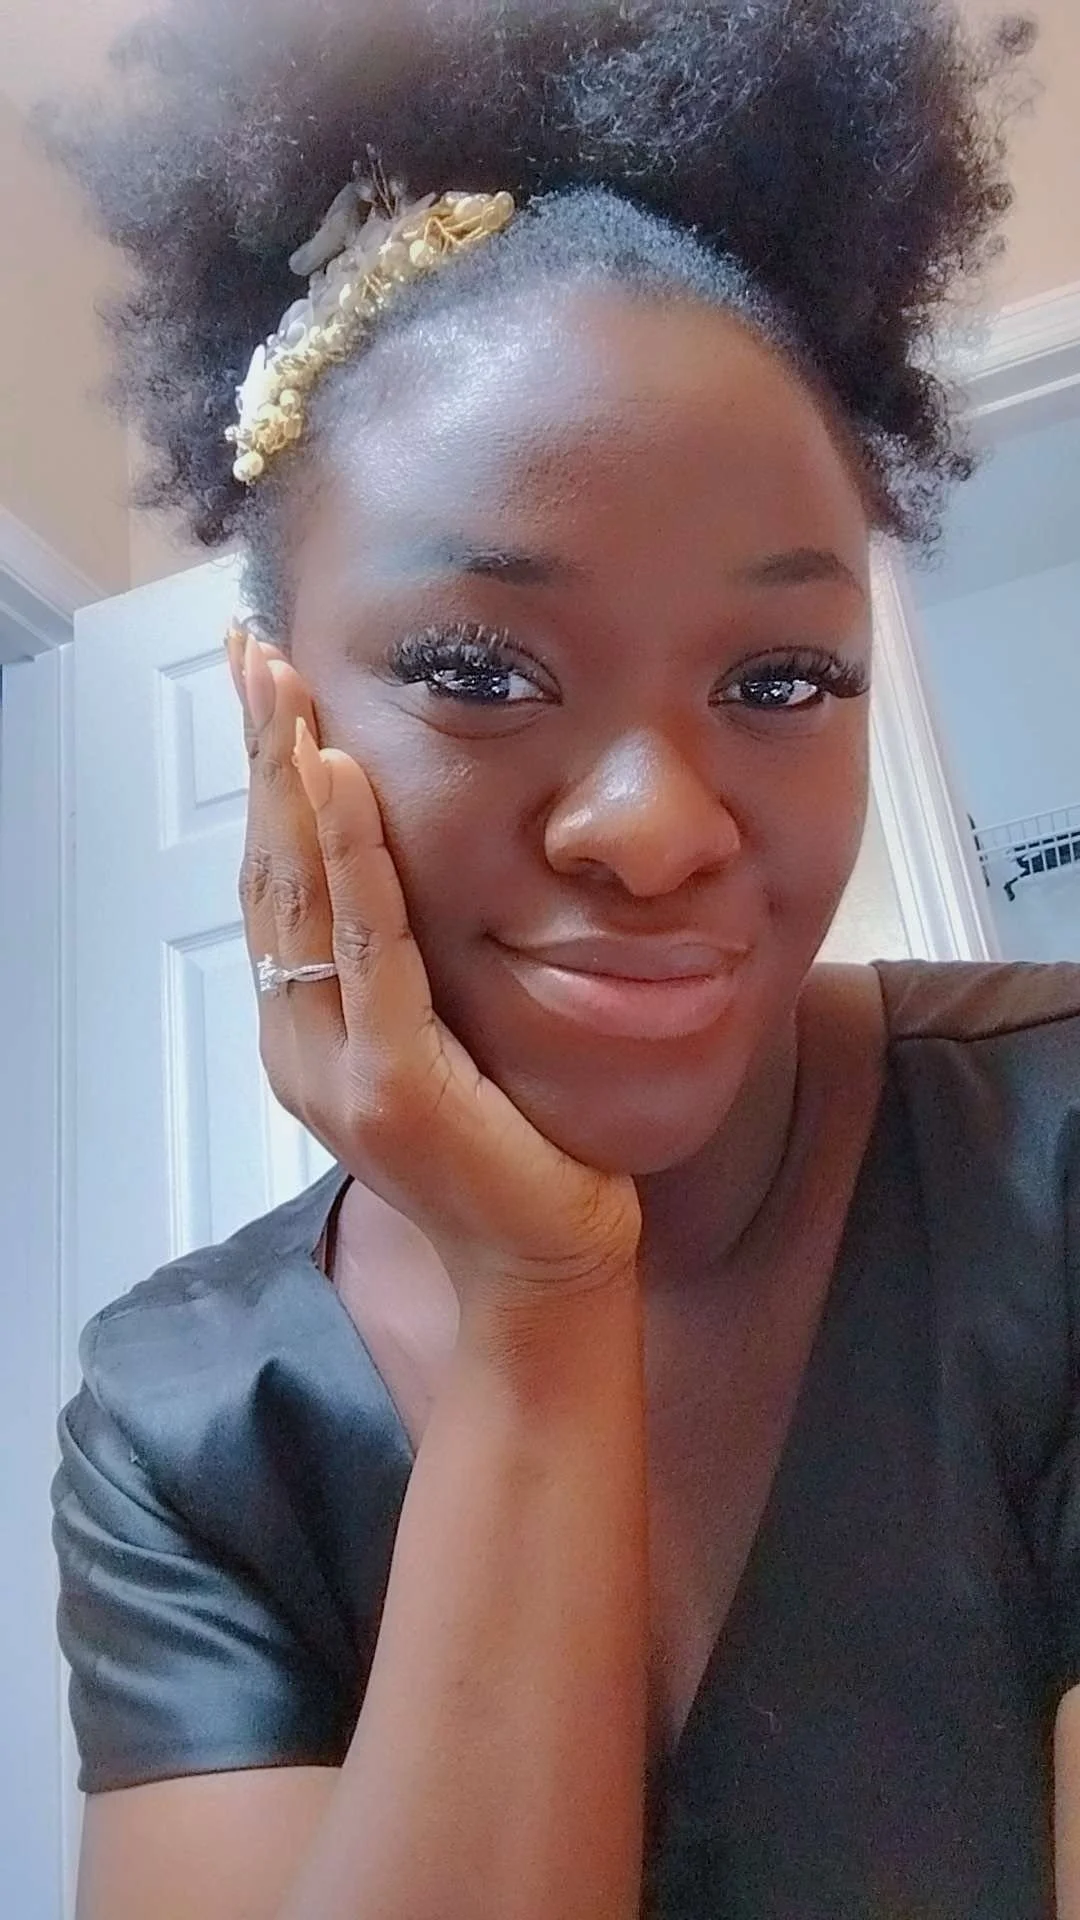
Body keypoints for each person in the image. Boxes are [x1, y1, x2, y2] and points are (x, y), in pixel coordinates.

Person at [41, 1, 1080, 1914]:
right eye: (478, 669)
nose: (660, 828)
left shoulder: (1053, 1158)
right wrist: (540, 1295)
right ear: (273, 722)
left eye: (784, 679)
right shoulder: (184, 1420)